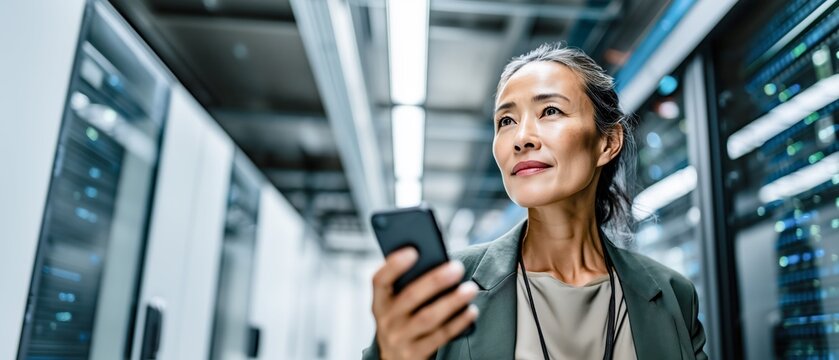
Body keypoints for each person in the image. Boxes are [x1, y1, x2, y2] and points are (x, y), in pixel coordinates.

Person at [363, 43, 708, 360]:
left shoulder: (674, 295)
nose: (521, 138)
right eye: (506, 121)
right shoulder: (449, 290)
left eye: (550, 111)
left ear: (607, 142)